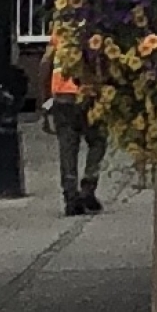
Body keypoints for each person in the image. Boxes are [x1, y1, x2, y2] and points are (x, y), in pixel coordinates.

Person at [43, 67, 105, 216]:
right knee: (98, 141)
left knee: (67, 148)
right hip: (91, 98)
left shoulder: (58, 42)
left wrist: (45, 103)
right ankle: (88, 185)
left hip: (63, 100)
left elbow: (45, 65)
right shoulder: (95, 43)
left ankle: (70, 196)